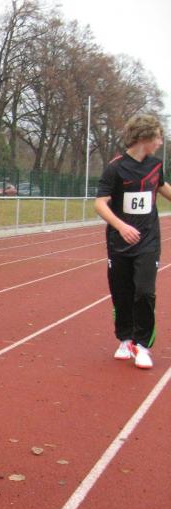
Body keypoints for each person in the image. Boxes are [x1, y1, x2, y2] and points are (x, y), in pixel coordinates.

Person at [94, 114, 171, 369]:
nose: (160, 142)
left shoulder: (156, 165)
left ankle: (142, 345)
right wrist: (121, 226)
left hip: (148, 241)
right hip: (119, 242)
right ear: (144, 137)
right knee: (122, 293)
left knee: (145, 291)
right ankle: (125, 339)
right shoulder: (115, 168)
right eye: (158, 137)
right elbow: (99, 203)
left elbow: (162, 187)